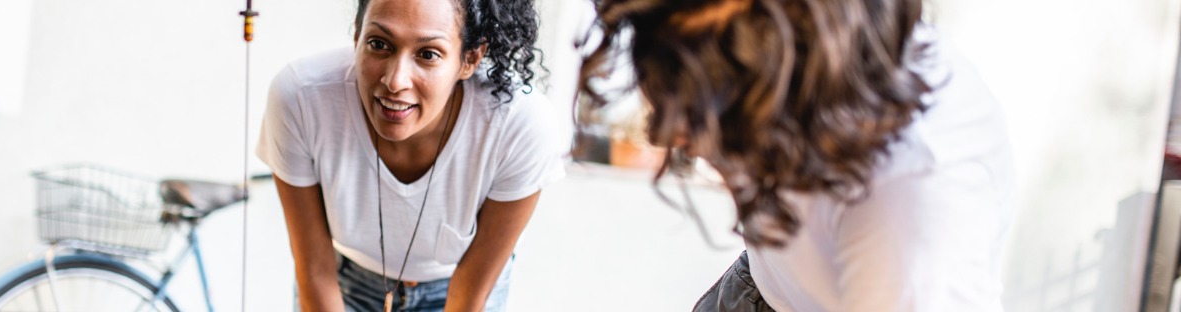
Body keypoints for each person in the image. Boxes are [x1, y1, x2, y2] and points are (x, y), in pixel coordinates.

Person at [580, 0, 1016, 311]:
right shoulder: (834, 44)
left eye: (708, 104)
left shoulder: (914, 202)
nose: (668, 135)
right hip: (764, 284)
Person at [256, 0, 570, 310]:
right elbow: (314, 270)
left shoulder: (519, 126)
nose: (395, 80)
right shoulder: (301, 98)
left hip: (456, 284)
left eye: (428, 54)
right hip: (344, 280)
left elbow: (468, 297)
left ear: (470, 59)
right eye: (379, 44)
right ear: (356, 35)